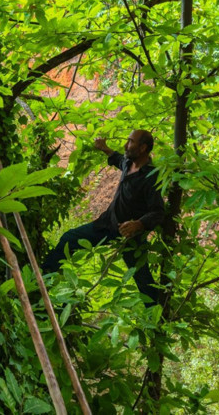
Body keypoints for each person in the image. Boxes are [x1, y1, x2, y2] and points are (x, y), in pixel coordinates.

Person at [42, 130, 165, 306]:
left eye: (131, 142)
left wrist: (139, 224)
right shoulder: (128, 163)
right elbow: (118, 159)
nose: (126, 145)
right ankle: (42, 279)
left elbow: (158, 212)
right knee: (69, 238)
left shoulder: (151, 177)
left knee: (143, 280)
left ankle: (157, 315)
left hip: (129, 236)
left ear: (143, 148)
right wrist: (104, 148)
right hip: (107, 224)